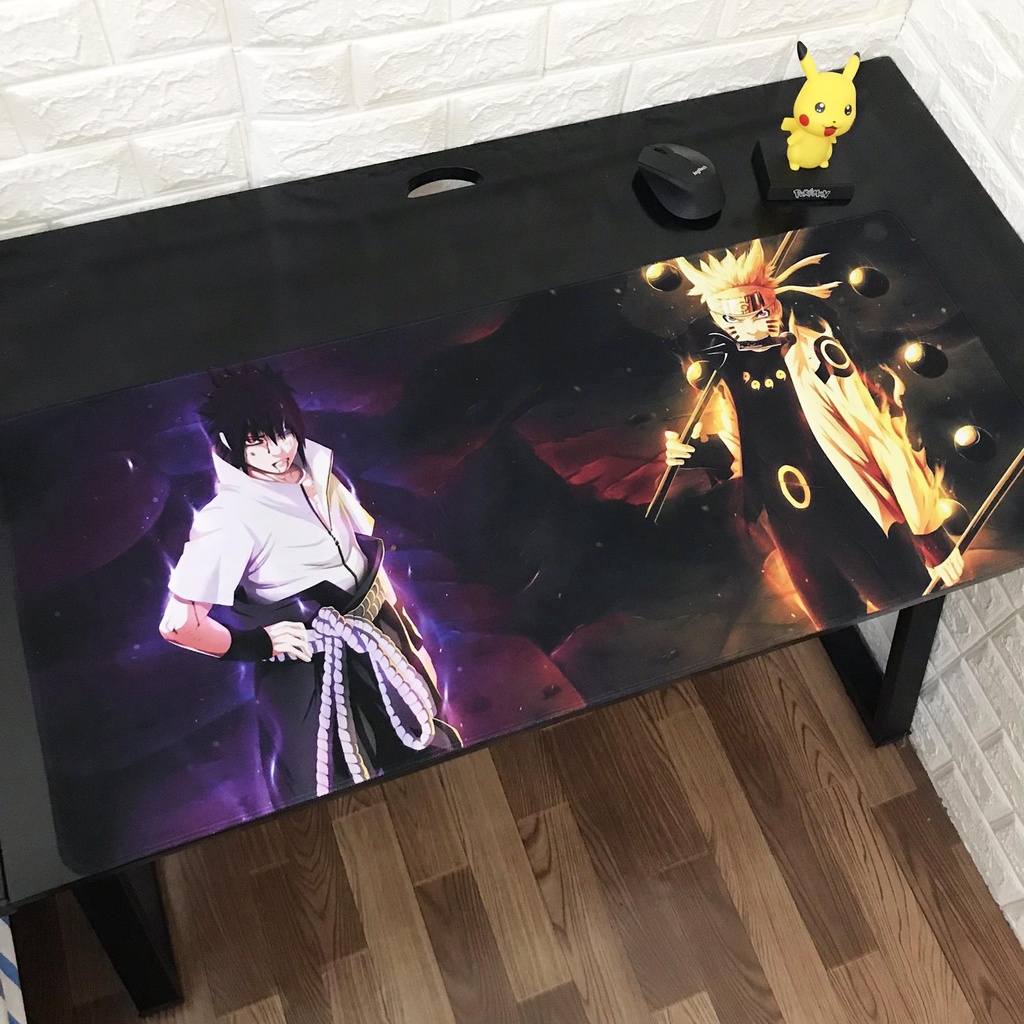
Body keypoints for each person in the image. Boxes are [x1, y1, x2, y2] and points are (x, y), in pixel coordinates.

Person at [159, 365, 460, 804]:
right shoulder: (227, 518)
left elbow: (358, 551)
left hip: (377, 637)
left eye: (282, 432)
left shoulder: (317, 467)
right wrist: (256, 644)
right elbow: (177, 624)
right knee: (329, 790)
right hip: (309, 665)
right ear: (228, 442)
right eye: (257, 441)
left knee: (426, 748)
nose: (277, 451)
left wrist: (397, 622)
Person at [661, 238, 963, 627]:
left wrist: (929, 535)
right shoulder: (733, 372)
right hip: (792, 529)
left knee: (912, 608)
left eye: (755, 312)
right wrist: (696, 453)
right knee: (833, 624)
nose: (747, 326)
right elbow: (743, 444)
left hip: (851, 512)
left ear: (773, 304)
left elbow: (879, 435)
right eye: (732, 320)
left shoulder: (817, 353)